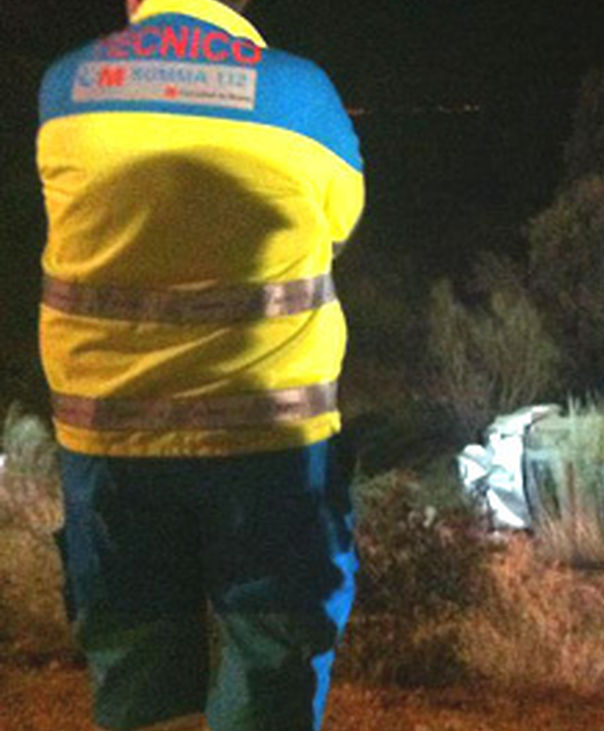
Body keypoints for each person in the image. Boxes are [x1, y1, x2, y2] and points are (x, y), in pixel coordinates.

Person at [36, 0, 365, 728]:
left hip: (111, 449)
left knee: (139, 673)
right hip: (270, 451)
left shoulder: (64, 90)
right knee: (270, 668)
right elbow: (339, 222)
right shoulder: (300, 93)